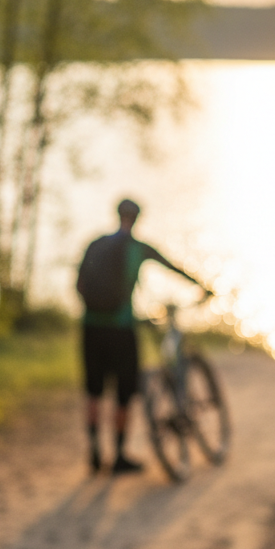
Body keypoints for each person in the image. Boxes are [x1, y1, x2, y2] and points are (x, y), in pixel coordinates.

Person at [77, 198, 209, 475]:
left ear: (116, 214)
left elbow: (79, 285)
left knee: (94, 390)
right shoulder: (138, 247)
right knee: (124, 393)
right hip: (122, 327)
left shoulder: (96, 243)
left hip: (91, 326)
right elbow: (172, 267)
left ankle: (94, 453)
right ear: (136, 218)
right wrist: (201, 287)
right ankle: (119, 456)